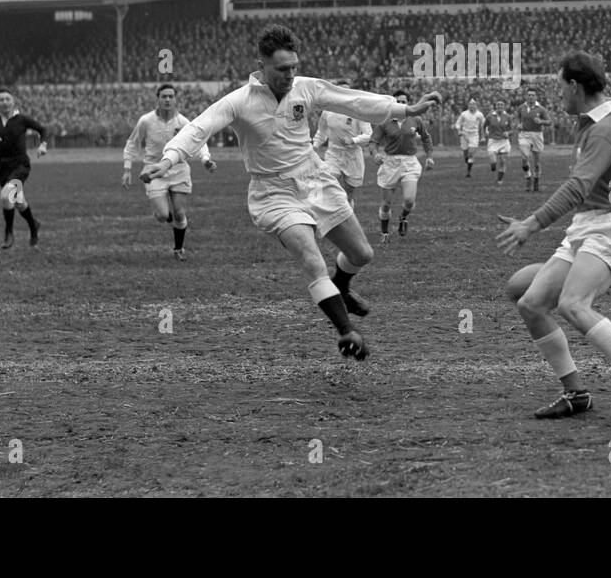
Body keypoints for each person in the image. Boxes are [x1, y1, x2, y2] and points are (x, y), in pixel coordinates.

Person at [142, 25, 441, 360]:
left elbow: (351, 100)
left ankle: (341, 286)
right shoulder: (238, 101)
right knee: (312, 259)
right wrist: (168, 160)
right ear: (263, 65)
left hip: (314, 179)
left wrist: (406, 110)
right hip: (273, 193)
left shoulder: (305, 88)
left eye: (294, 67)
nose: (290, 74)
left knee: (362, 254)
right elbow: (199, 128)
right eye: (282, 69)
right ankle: (347, 332)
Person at [498, 52, 611, 419]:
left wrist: (530, 224)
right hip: (587, 228)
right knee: (529, 302)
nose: (559, 96)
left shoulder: (604, 128)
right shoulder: (590, 122)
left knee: (573, 304)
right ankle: (575, 394)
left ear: (574, 86)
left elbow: (577, 187)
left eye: (560, 87)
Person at [123, 83, 216, 260]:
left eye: (170, 96)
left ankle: (178, 249)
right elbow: (132, 143)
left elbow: (198, 142)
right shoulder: (146, 121)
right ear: (157, 99)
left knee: (180, 213)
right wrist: (127, 168)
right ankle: (166, 215)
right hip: (153, 171)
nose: (167, 99)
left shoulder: (183, 123)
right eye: (164, 96)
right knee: (162, 215)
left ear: (175, 100)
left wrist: (205, 160)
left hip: (179, 171)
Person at [0, 88, 47, 249]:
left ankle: (8, 232)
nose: (4, 102)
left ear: (13, 101)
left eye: (7, 99)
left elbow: (42, 129)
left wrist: (43, 145)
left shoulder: (22, 120)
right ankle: (33, 225)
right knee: (19, 201)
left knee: (6, 195)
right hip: (2, 168)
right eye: (1, 100)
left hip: (20, 166)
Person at [372, 89, 435, 241]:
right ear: (393, 103)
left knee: (409, 200)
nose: (401, 104)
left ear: (408, 104)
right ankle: (385, 233)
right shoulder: (384, 121)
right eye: (398, 102)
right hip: (390, 163)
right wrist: (375, 154)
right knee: (386, 204)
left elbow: (426, 138)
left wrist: (429, 157)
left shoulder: (415, 119)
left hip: (409, 163)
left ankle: (402, 217)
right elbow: (373, 142)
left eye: (404, 102)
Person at [312, 79, 373, 204]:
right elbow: (322, 131)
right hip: (333, 154)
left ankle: (347, 213)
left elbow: (368, 134)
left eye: (346, 90)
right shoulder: (327, 110)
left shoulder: (357, 111)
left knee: (348, 194)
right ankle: (325, 214)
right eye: (340, 90)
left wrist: (353, 140)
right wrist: (315, 146)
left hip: (352, 157)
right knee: (328, 183)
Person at [516, 88, 553, 192]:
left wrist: (541, 121)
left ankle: (536, 181)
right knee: (524, 157)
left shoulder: (541, 109)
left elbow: (549, 122)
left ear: (536, 97)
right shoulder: (521, 108)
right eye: (529, 95)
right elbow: (518, 118)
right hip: (524, 134)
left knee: (536, 162)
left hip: (537, 134)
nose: (530, 97)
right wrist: (519, 124)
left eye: (533, 95)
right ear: (526, 96)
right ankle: (528, 177)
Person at [452, 98, 486, 178]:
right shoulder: (464, 114)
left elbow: (483, 125)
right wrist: (459, 131)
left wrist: (483, 135)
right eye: (470, 104)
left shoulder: (479, 114)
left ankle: (468, 172)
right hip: (464, 134)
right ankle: (468, 162)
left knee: (471, 153)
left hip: (474, 135)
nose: (472, 106)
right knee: (466, 154)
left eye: (474, 104)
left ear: (476, 106)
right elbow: (458, 123)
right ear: (468, 106)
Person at [483, 99, 514, 185]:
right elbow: (484, 126)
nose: (500, 106)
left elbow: (512, 130)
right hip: (493, 140)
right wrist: (484, 134)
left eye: (501, 105)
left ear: (504, 107)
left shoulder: (508, 117)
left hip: (503, 141)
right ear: (495, 106)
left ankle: (499, 180)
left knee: (503, 161)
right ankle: (493, 164)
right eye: (498, 105)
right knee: (493, 160)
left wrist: (508, 133)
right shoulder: (490, 116)